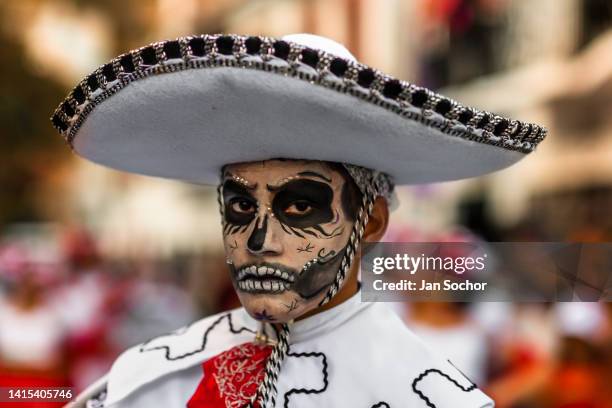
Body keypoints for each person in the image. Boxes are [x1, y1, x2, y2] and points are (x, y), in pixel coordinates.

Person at [51, 33, 546, 407]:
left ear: (370, 222)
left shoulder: (425, 394)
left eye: (299, 207)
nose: (259, 240)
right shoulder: (154, 379)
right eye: (241, 207)